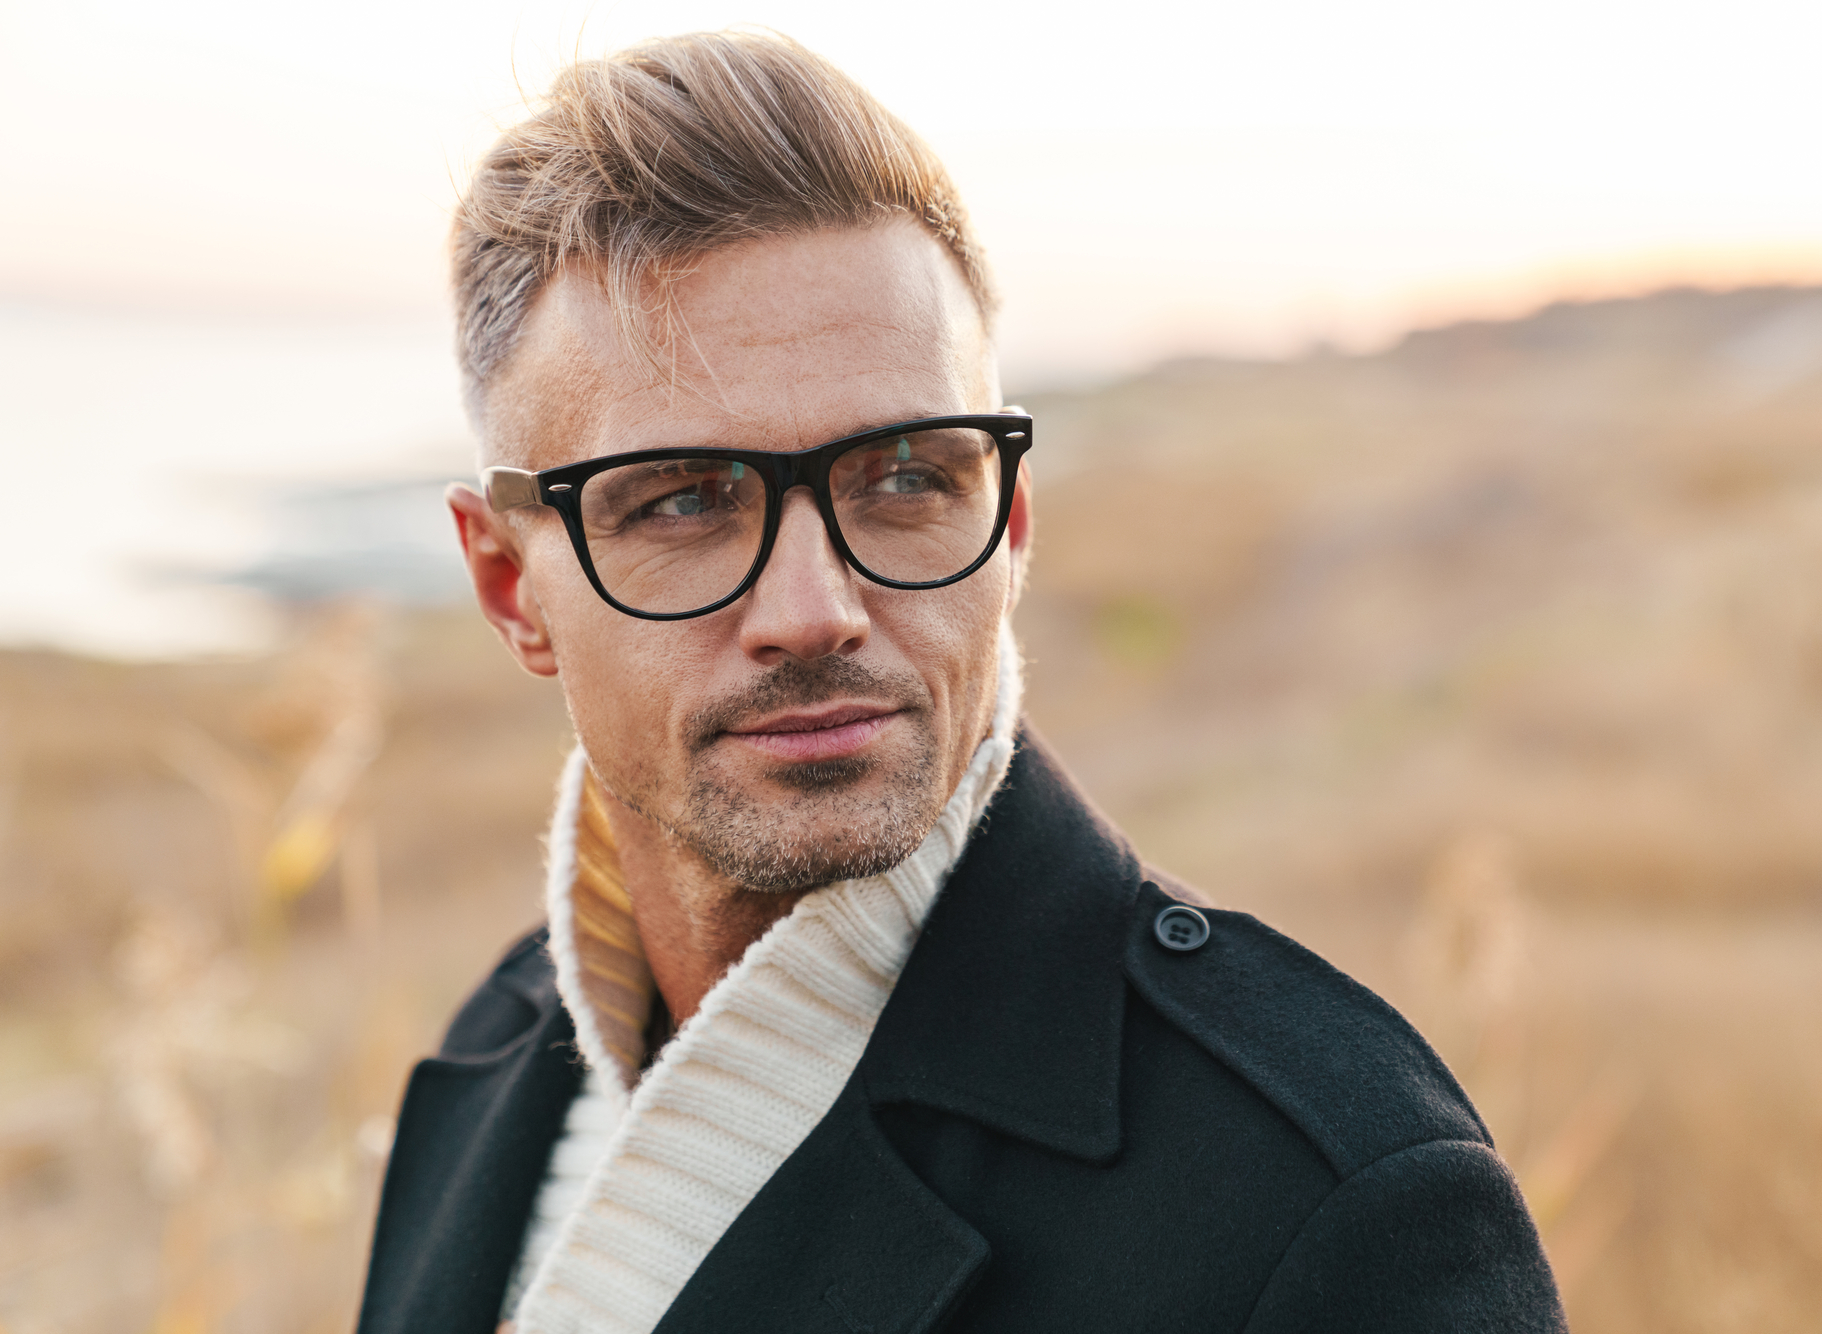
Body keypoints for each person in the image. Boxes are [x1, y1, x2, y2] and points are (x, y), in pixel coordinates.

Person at [357, 30, 1566, 1334]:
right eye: (688, 499)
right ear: (504, 586)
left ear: (1013, 517)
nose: (816, 611)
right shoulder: (490, 1053)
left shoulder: (1325, 1198)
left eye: (906, 477)